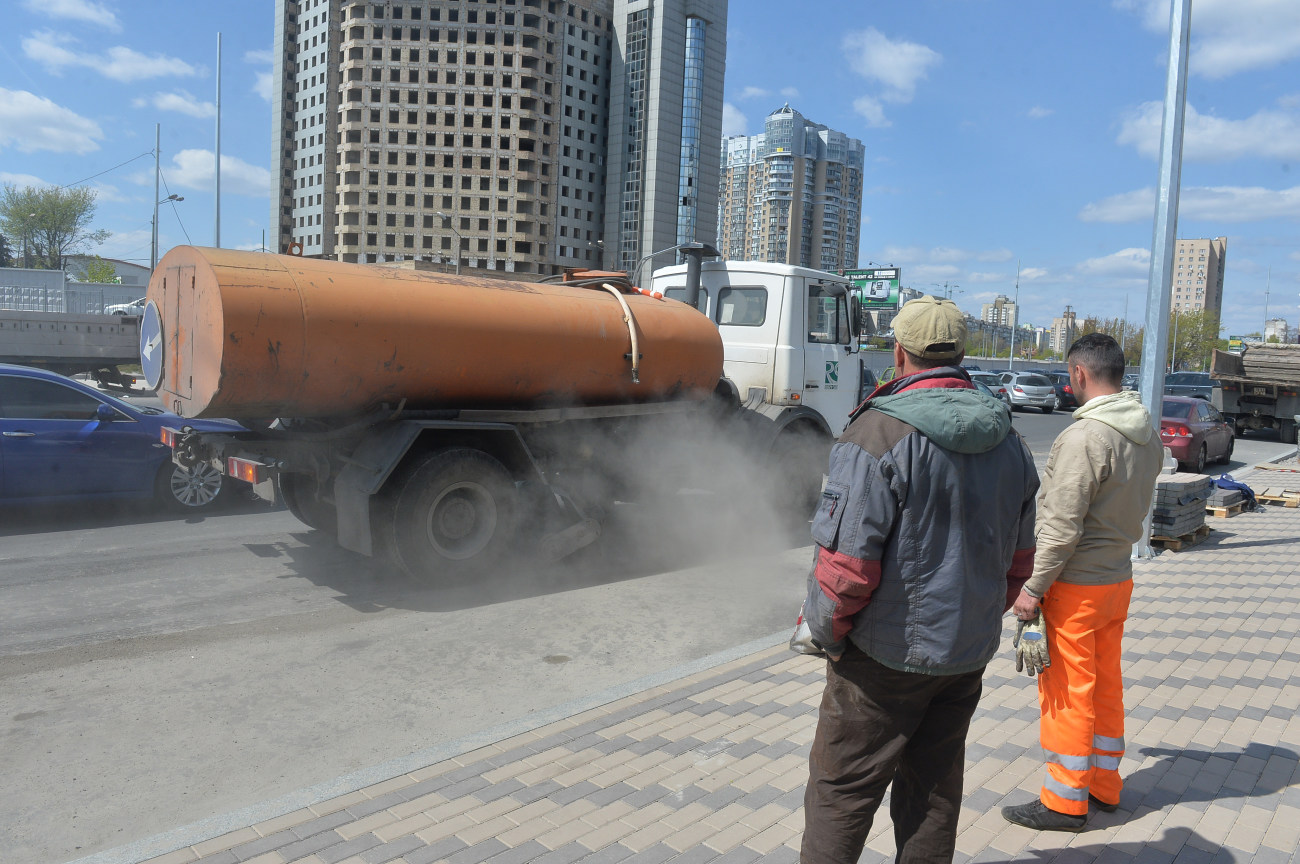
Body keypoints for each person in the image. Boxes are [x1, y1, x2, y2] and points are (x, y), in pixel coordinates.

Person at [801, 296, 1040, 864]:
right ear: (961, 353)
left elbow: (848, 568)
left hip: (881, 660)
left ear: (900, 353)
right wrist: (975, 621)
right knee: (933, 792)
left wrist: (826, 632)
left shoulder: (876, 434)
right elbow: (1021, 559)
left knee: (842, 792)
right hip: (963, 655)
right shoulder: (1010, 439)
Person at [1001, 333, 1163, 832]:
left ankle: (1063, 803)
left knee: (1068, 692)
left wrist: (1031, 590)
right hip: (1117, 579)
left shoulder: (1085, 438)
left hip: (1075, 587)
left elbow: (1061, 528)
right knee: (1105, 685)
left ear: (1078, 374)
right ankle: (1103, 785)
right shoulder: (1144, 430)